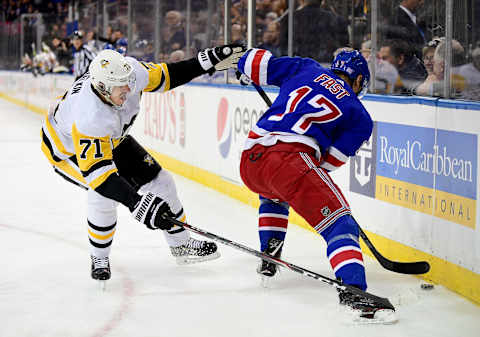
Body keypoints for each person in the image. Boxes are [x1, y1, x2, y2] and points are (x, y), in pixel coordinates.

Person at [40, 44, 246, 283]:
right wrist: (137, 204)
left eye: (129, 82)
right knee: (104, 196)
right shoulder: (89, 117)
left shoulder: (130, 73)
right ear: (104, 88)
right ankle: (99, 257)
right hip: (67, 150)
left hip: (112, 139)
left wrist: (206, 61)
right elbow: (101, 177)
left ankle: (181, 245)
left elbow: (169, 75)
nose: (130, 88)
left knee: (162, 182)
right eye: (122, 87)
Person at [234, 48, 395, 322]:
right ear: (357, 81)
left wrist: (243, 69)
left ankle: (269, 251)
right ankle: (355, 293)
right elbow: (328, 162)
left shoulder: (306, 67)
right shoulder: (360, 116)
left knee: (274, 192)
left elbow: (250, 61)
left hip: (251, 159)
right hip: (290, 159)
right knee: (340, 222)